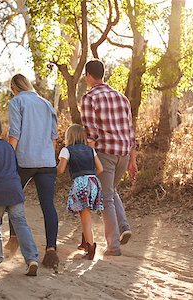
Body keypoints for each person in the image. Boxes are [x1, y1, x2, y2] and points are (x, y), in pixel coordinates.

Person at [81, 59, 138, 256]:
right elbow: (130, 131)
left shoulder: (89, 98)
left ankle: (113, 246)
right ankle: (124, 227)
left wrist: (89, 156)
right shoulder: (122, 97)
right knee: (110, 191)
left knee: (106, 197)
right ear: (103, 74)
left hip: (105, 153)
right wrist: (133, 159)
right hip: (123, 152)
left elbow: (91, 133)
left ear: (88, 75)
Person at [7, 74, 59, 269]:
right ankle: (51, 250)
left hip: (24, 160)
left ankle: (14, 239)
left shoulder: (16, 102)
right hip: (47, 161)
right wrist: (48, 157)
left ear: (14, 88)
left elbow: (14, 134)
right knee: (48, 206)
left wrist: (7, 159)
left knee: (13, 199)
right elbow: (54, 137)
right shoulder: (46, 104)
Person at [0, 116, 39, 276]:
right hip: (15, 190)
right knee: (21, 223)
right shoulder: (9, 147)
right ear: (0, 131)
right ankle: (32, 259)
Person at [56, 124, 104, 260]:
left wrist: (48, 170)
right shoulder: (90, 150)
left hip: (81, 183)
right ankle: (85, 242)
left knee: (85, 217)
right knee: (85, 214)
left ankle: (90, 246)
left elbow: (60, 170)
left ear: (69, 136)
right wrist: (89, 176)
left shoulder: (66, 150)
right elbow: (100, 168)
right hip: (93, 181)